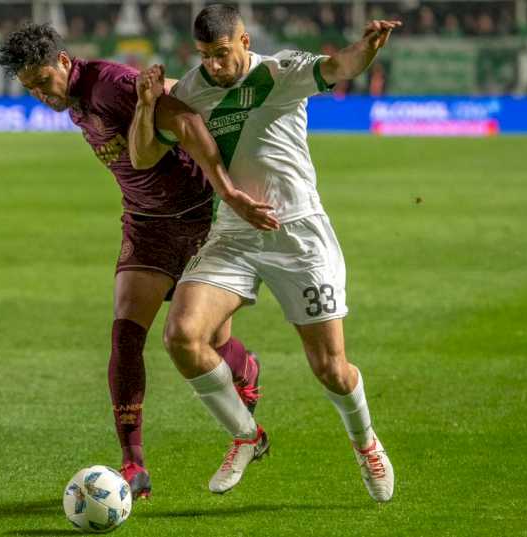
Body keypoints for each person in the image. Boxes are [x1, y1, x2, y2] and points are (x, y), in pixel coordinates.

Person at [127, 4, 400, 501]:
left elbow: (339, 67)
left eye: (224, 54)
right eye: (207, 56)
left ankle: (366, 444)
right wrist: (147, 105)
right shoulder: (191, 90)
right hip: (234, 233)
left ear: (245, 43)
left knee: (331, 369)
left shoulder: (281, 72)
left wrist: (367, 47)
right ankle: (246, 436)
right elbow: (143, 155)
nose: (215, 65)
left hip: (298, 235)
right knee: (182, 336)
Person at [0, 23, 274, 500]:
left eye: (44, 81)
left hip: (199, 219)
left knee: (208, 341)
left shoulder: (110, 84)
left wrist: (226, 189)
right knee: (125, 334)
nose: (41, 95)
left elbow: (185, 121)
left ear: (64, 62)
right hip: (145, 225)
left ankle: (244, 367)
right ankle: (133, 464)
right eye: (30, 90)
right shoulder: (76, 100)